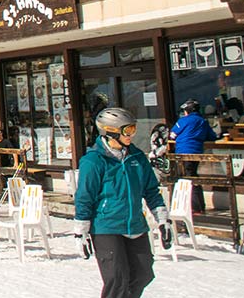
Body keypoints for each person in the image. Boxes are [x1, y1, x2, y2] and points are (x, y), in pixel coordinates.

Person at [76, 107, 168, 298]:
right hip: (106, 226)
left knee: (143, 274)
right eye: (127, 131)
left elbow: (151, 191)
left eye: (133, 129)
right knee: (117, 280)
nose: (131, 135)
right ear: (110, 131)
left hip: (135, 224)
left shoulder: (137, 158)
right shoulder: (93, 161)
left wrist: (163, 220)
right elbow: (85, 197)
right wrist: (81, 231)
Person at [168, 99, 217, 212]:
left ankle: (194, 207)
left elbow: (172, 134)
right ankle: (199, 205)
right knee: (192, 175)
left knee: (186, 177)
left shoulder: (183, 120)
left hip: (182, 152)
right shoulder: (202, 121)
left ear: (186, 111)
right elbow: (212, 136)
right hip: (196, 152)